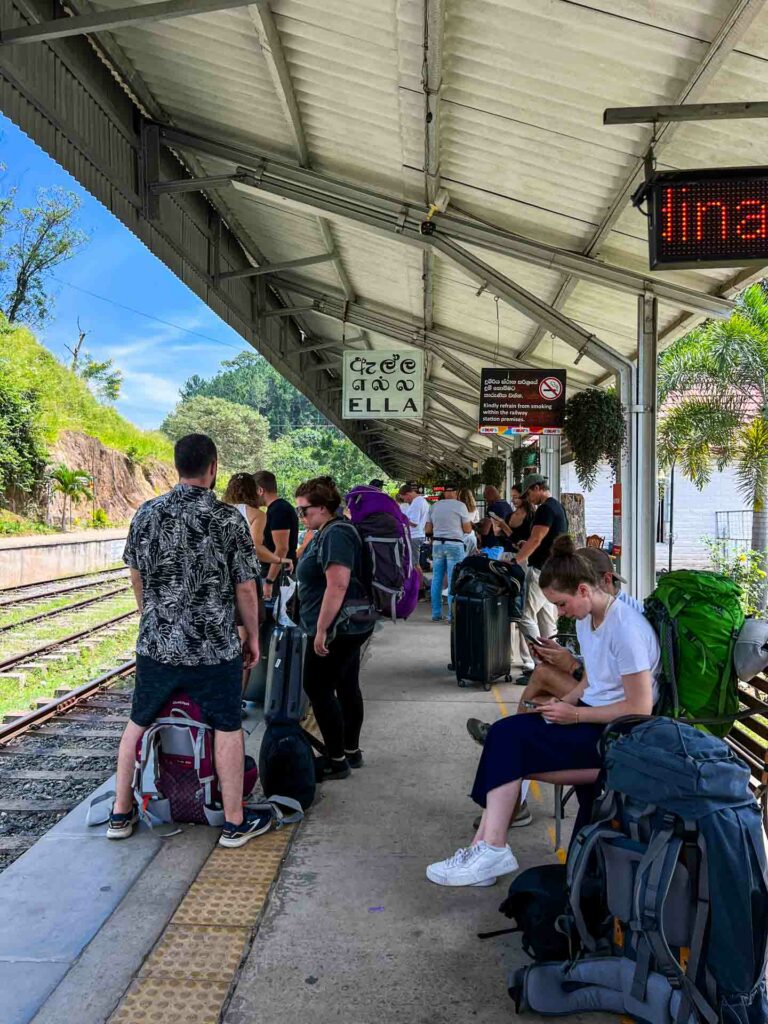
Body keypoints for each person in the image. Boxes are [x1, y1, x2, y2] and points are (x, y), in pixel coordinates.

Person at [427, 535, 659, 887]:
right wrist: (564, 703)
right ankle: (486, 848)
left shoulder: (625, 629)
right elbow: (593, 682)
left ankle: (490, 849)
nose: (560, 613)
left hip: (619, 738)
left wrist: (576, 715)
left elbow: (639, 708)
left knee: (510, 744)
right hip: (592, 719)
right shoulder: (588, 620)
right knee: (507, 732)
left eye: (562, 604)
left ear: (584, 590)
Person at [109, 434, 268, 848]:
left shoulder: (147, 513)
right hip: (214, 647)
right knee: (227, 726)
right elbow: (246, 588)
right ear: (213, 467)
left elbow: (136, 576)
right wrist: (252, 634)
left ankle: (120, 813)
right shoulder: (228, 518)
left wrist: (152, 618)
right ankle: (233, 823)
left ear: (177, 466)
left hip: (158, 645)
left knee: (138, 722)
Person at [295, 478, 374, 780]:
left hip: (338, 627)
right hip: (350, 624)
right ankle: (351, 752)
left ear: (324, 508)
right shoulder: (330, 530)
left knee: (317, 687)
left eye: (305, 511)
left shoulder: (336, 534)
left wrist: (321, 630)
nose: (301, 517)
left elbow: (337, 584)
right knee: (346, 684)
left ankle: (336, 759)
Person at [511, 474, 568, 681]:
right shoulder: (557, 507)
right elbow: (541, 540)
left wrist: (517, 559)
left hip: (540, 571)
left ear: (537, 488)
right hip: (552, 569)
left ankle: (541, 665)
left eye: (528, 494)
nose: (527, 499)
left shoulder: (545, 509)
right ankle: (556, 666)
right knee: (546, 621)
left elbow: (537, 539)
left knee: (525, 616)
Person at [424, 483, 472, 623]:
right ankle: (452, 615)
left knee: (437, 578)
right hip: (454, 545)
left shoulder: (434, 506)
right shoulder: (460, 506)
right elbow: (468, 529)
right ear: (456, 493)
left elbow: (427, 529)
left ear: (445, 493)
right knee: (453, 579)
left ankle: (436, 613)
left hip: (438, 545)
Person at [253, 470, 299, 601]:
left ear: (260, 490)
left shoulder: (279, 509)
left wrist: (269, 581)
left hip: (278, 576)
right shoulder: (275, 509)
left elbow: (281, 548)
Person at [400, 482, 430, 570]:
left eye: (404, 498)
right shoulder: (421, 500)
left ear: (408, 494)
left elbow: (414, 522)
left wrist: (401, 518)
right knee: (414, 564)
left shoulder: (416, 503)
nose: (405, 501)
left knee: (414, 565)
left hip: (414, 536)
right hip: (418, 535)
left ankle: (418, 584)